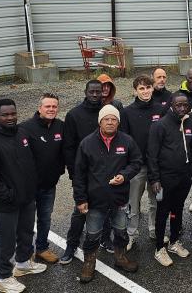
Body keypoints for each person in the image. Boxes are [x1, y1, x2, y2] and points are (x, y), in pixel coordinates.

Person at [0, 99, 47, 293]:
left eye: (13, 114)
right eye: (5, 115)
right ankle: (3, 278)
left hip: (26, 198)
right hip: (5, 204)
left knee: (25, 232)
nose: (10, 118)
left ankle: (23, 263)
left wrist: (30, 189)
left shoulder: (22, 134)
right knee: (6, 241)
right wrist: (9, 195)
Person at [73, 105, 142, 283]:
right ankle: (89, 263)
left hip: (119, 198)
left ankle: (120, 258)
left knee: (120, 231)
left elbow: (136, 162)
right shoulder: (87, 143)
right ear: (100, 121)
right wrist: (80, 199)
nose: (110, 122)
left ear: (118, 122)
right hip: (95, 200)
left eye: (114, 119)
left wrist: (124, 176)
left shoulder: (127, 141)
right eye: (106, 119)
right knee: (93, 234)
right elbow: (79, 174)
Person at [61, 80, 114, 263]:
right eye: (91, 91)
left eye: (98, 92)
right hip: (82, 172)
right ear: (85, 92)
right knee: (80, 211)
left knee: (106, 207)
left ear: (102, 93)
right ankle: (71, 244)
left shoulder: (108, 113)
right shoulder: (74, 115)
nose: (94, 95)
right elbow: (68, 147)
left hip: (105, 171)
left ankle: (105, 239)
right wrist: (73, 172)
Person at [147, 93, 192, 266]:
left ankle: (174, 241)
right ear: (171, 106)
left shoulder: (190, 123)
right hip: (165, 178)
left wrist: (190, 171)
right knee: (163, 211)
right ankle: (159, 247)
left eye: (185, 105)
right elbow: (151, 155)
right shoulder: (160, 126)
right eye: (178, 105)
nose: (182, 108)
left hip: (183, 177)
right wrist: (154, 179)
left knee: (178, 209)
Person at [19, 93, 65, 264]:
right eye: (48, 106)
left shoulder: (61, 126)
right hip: (29, 187)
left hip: (49, 185)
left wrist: (60, 170)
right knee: (26, 221)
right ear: (40, 108)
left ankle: (42, 248)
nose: (51, 109)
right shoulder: (25, 128)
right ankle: (25, 252)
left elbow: (65, 151)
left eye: (54, 106)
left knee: (45, 218)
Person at [120, 75, 165, 250]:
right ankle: (131, 234)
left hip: (156, 166)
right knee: (133, 203)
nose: (145, 91)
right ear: (135, 91)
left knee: (156, 201)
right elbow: (124, 140)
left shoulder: (161, 110)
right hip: (137, 167)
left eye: (148, 87)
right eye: (141, 88)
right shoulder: (127, 112)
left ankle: (154, 229)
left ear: (153, 88)